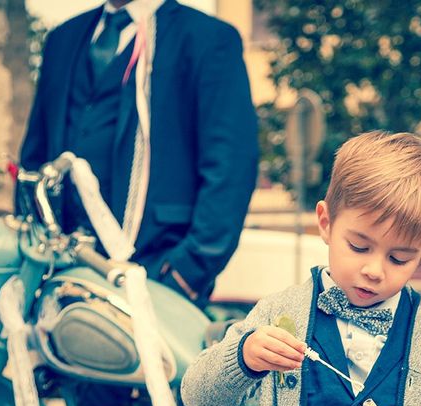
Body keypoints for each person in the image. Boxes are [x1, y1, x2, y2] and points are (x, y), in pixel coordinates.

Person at [182, 131, 421, 406]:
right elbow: (199, 399)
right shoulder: (279, 313)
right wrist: (243, 358)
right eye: (359, 247)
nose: (374, 271)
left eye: (398, 258)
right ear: (326, 223)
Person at [20, 0, 258, 309]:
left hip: (155, 269)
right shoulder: (63, 38)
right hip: (57, 269)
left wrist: (187, 272)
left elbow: (231, 167)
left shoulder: (208, 39)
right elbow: (35, 154)